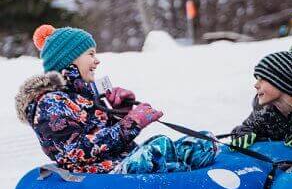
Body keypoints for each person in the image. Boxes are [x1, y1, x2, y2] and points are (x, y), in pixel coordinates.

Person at [15, 25, 216, 174]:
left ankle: (188, 178)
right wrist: (132, 123)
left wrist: (121, 111)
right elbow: (78, 151)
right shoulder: (50, 103)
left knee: (201, 142)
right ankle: (182, 186)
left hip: (121, 161)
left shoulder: (84, 95)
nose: (97, 60)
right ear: (69, 60)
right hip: (98, 175)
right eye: (90, 54)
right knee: (159, 149)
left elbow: (110, 139)